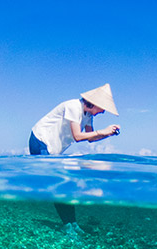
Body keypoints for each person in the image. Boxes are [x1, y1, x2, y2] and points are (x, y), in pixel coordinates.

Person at [29, 84, 121, 232]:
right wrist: (102, 131)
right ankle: (68, 225)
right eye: (103, 108)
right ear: (96, 104)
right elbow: (78, 136)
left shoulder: (88, 115)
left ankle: (72, 224)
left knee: (64, 185)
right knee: (58, 184)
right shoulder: (73, 106)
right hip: (40, 140)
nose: (103, 112)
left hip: (53, 149)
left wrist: (107, 133)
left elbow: (91, 138)